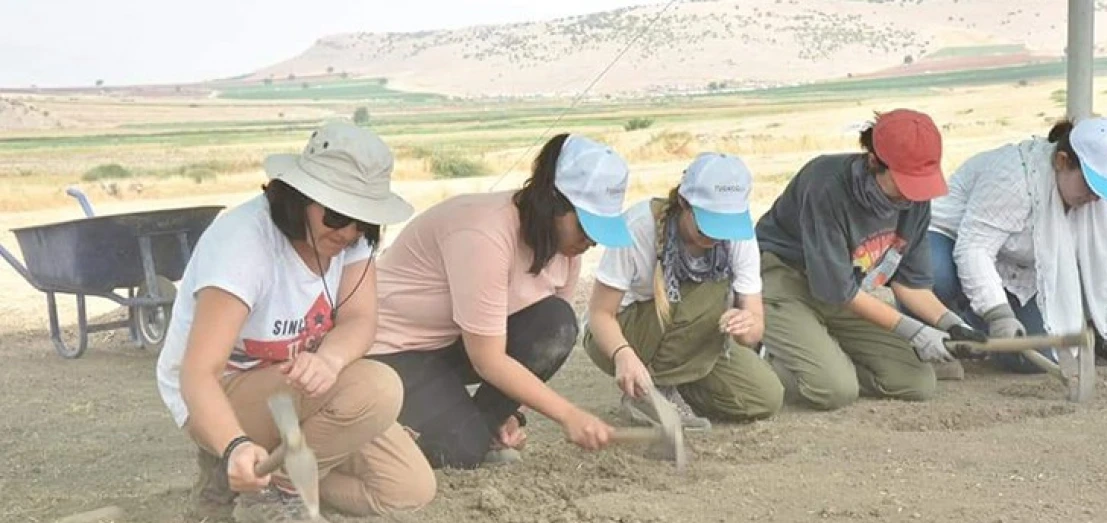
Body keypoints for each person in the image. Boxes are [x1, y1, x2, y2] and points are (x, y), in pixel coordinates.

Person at [156, 120, 436, 523]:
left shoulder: (349, 240)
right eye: (339, 215)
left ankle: (259, 478)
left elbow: (360, 319)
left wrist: (330, 359)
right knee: (376, 388)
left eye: (365, 220)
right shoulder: (243, 244)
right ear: (299, 197)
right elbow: (198, 373)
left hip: (302, 391)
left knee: (406, 490)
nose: (351, 232)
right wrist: (233, 443)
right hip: (221, 397)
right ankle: (271, 489)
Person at [365, 133, 633, 469]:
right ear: (552, 202)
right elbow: (488, 359)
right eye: (585, 226)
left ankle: (476, 430)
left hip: (453, 345)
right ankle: (384, 426)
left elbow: (540, 338)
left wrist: (513, 413)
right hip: (391, 351)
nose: (591, 240)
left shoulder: (566, 248)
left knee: (557, 323)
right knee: (461, 451)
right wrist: (569, 415)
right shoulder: (484, 232)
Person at [754, 108, 987, 411]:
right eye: (905, 181)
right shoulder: (826, 184)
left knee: (917, 382)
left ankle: (821, 356)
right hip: (784, 280)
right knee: (834, 391)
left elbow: (910, 284)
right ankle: (775, 352)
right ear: (874, 160)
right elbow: (839, 291)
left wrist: (953, 325)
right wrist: (915, 332)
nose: (911, 195)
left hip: (842, 291)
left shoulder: (915, 199)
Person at [582, 152, 784, 430]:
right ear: (683, 203)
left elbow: (754, 328)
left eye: (724, 226)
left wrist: (745, 326)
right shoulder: (640, 226)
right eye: (707, 224)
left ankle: (677, 388)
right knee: (702, 295)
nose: (714, 238)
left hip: (694, 338)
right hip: (625, 334)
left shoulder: (740, 236)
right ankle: (651, 393)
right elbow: (599, 314)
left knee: (764, 397)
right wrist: (623, 356)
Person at [926, 116, 1107, 374]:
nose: (1094, 198)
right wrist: (997, 313)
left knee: (1034, 359)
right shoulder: (1013, 179)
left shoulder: (1095, 199)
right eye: (1090, 185)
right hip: (950, 239)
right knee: (935, 273)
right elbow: (974, 250)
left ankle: (970, 326)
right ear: (1062, 161)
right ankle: (929, 334)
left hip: (1015, 266)